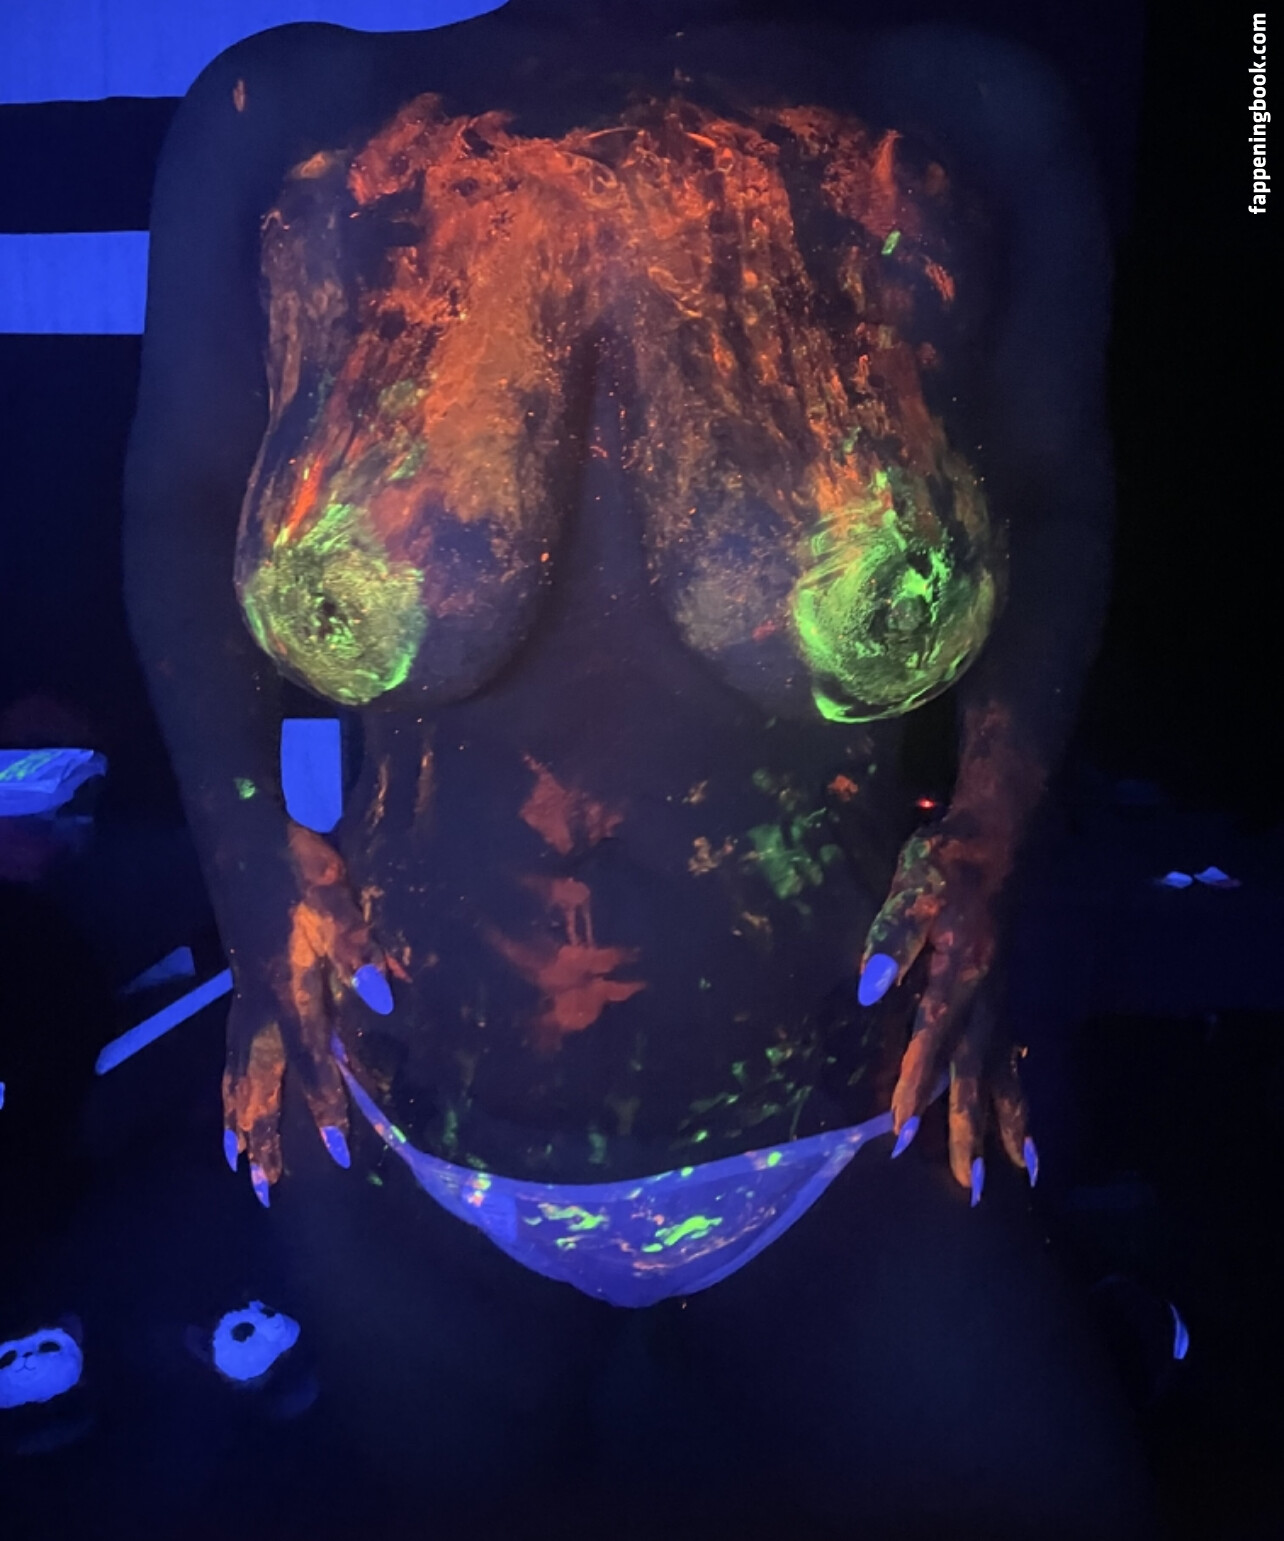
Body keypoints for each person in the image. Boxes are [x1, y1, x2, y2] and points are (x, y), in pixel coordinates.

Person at [122, 2, 1154, 1535]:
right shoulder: (286, 127)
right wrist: (247, 864)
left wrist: (995, 830)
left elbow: (1058, 489)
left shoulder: (967, 123)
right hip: (397, 1130)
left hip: (857, 1124)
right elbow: (184, 498)